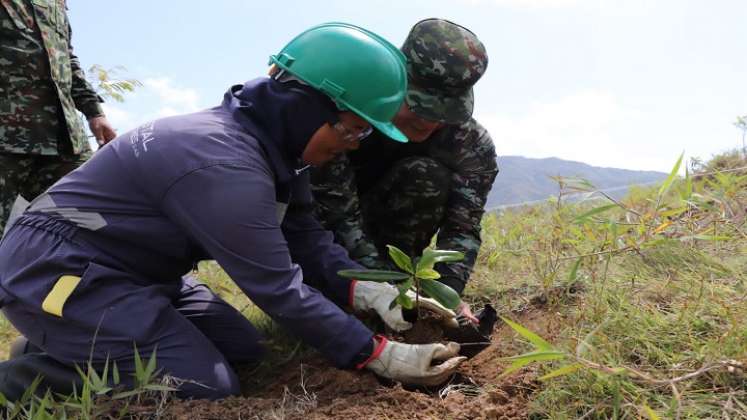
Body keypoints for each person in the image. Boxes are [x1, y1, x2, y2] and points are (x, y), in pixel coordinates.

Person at [0, 22, 465, 401]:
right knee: (205, 385)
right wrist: (376, 353)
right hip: (58, 270)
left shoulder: (276, 149)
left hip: (137, 272)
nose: (350, 145)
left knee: (244, 348)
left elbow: (305, 238)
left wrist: (366, 290)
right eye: (351, 130)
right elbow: (278, 288)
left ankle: (72, 342)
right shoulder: (223, 163)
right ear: (307, 107)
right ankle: (24, 379)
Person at [311, 18, 499, 324]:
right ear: (393, 80)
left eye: (443, 113)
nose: (428, 122)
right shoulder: (347, 115)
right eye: (418, 105)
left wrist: (443, 296)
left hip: (396, 249)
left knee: (426, 176)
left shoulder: (469, 143)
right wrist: (390, 291)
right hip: (325, 248)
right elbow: (338, 216)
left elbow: (462, 228)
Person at [0, 0, 117, 234]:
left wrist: (94, 111)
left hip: (62, 139)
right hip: (5, 138)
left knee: (97, 217)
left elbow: (67, 59)